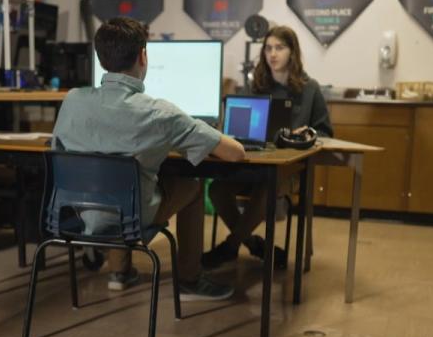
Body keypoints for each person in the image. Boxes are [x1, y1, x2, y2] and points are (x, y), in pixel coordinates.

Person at [52, 17, 246, 301]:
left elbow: (57, 149)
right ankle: (190, 279)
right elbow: (235, 153)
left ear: (100, 57)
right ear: (143, 56)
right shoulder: (162, 114)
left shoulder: (72, 100)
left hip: (76, 216)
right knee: (191, 184)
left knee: (121, 185)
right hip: (128, 220)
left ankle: (119, 272)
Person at [204, 26, 333, 269]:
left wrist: (305, 135)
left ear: (292, 52)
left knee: (268, 190)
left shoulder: (310, 88)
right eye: (268, 48)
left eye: (280, 48)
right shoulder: (256, 86)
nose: (273, 54)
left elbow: (325, 132)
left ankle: (230, 246)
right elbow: (236, 126)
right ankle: (253, 244)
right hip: (252, 164)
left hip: (289, 171)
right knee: (217, 191)